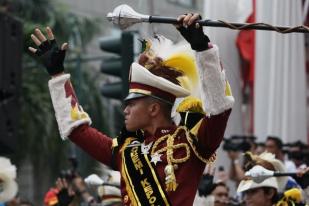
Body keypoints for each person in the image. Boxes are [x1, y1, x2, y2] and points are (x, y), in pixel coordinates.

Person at [29, 13, 234, 206]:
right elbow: (77, 130)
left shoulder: (192, 143)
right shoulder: (125, 152)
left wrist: (202, 47)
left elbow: (219, 108)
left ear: (154, 108)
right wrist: (57, 75)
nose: (125, 110)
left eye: (132, 104)